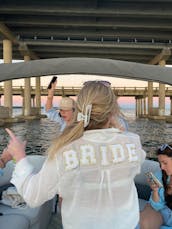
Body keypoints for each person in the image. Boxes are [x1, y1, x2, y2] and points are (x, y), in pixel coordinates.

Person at [6, 80, 146, 229]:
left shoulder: (63, 149)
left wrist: (19, 157)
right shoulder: (133, 142)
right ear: (112, 111)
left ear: (78, 110)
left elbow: (33, 195)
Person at [140, 144, 172, 229]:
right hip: (162, 214)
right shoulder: (160, 176)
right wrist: (155, 191)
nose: (162, 167)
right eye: (160, 163)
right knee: (144, 223)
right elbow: (157, 206)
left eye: (165, 163)